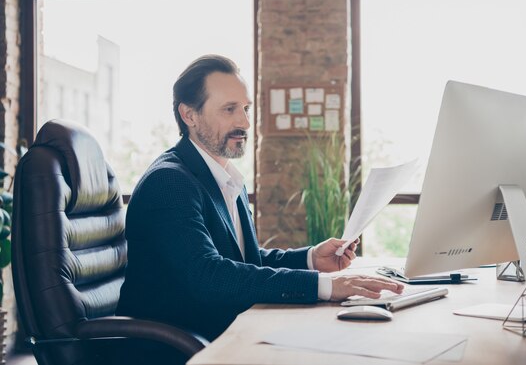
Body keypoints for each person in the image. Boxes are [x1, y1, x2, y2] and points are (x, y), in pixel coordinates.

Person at [116, 54, 402, 350]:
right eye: (229, 109)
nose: (244, 122)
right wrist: (324, 287)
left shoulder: (225, 178)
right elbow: (209, 276)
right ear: (189, 115)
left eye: (246, 108)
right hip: (177, 348)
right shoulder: (169, 182)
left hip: (226, 332)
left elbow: (242, 261)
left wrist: (310, 259)